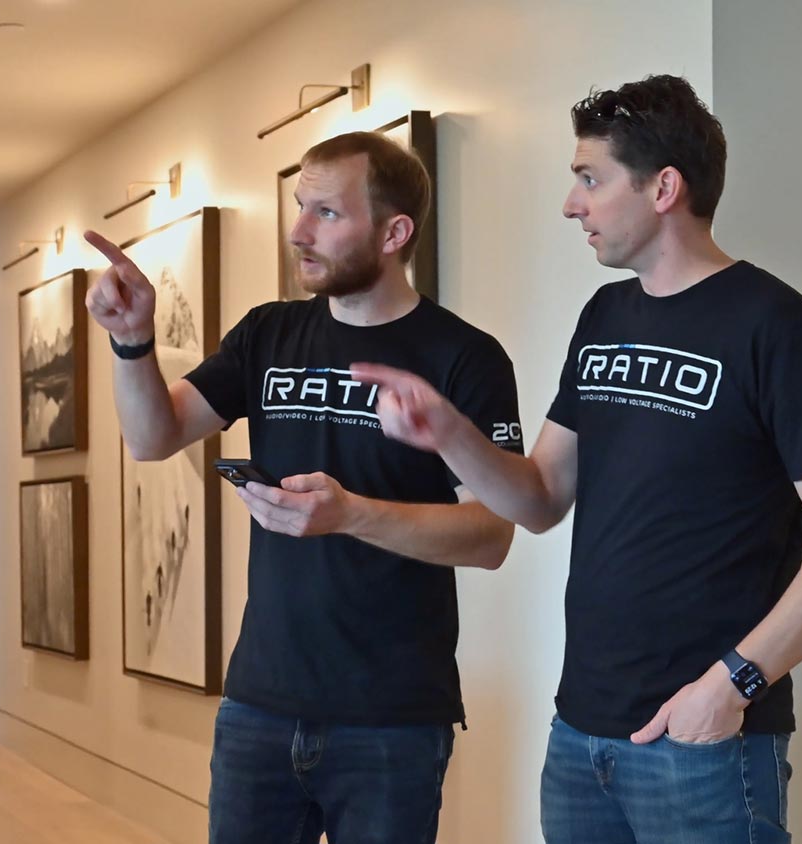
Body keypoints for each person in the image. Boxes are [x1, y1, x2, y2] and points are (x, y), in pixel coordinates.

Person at [354, 75, 802, 843]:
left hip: (704, 745)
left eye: (589, 179)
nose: (571, 204)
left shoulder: (777, 328)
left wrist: (729, 688)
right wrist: (450, 434)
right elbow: (539, 497)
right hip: (580, 737)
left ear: (664, 187)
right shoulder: (606, 316)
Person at [84, 130, 524, 844]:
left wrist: (351, 515)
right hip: (259, 702)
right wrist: (132, 342)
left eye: (325, 212)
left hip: (393, 719)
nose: (297, 232)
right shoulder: (269, 334)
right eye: (298, 207)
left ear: (394, 231)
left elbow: (492, 536)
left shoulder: (463, 357)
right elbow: (152, 437)